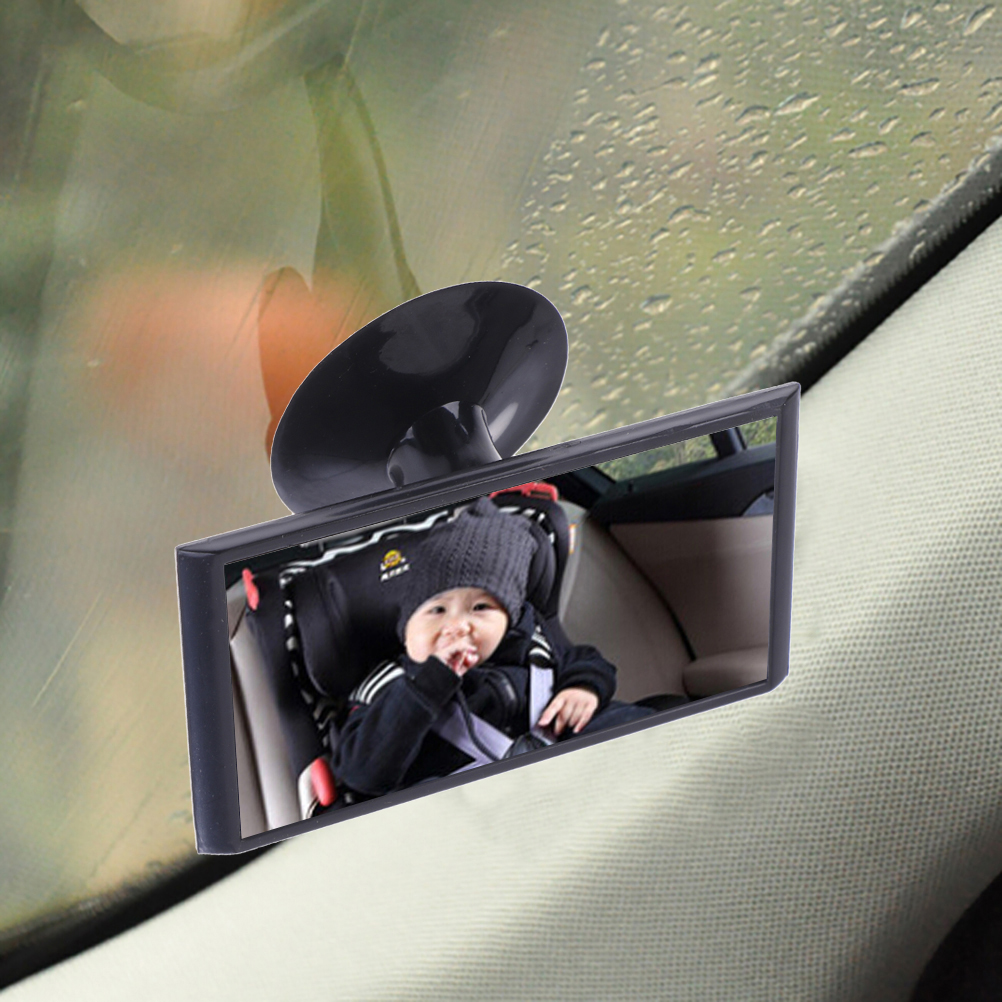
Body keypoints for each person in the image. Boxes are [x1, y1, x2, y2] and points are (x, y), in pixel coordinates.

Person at [331, 497, 655, 799]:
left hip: (559, 759)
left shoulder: (528, 644)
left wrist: (583, 687)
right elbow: (362, 772)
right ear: (406, 629)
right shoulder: (388, 682)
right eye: (437, 610)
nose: (458, 625)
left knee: (631, 722)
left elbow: (582, 659)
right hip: (474, 799)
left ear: (509, 618)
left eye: (480, 608)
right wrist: (427, 686)